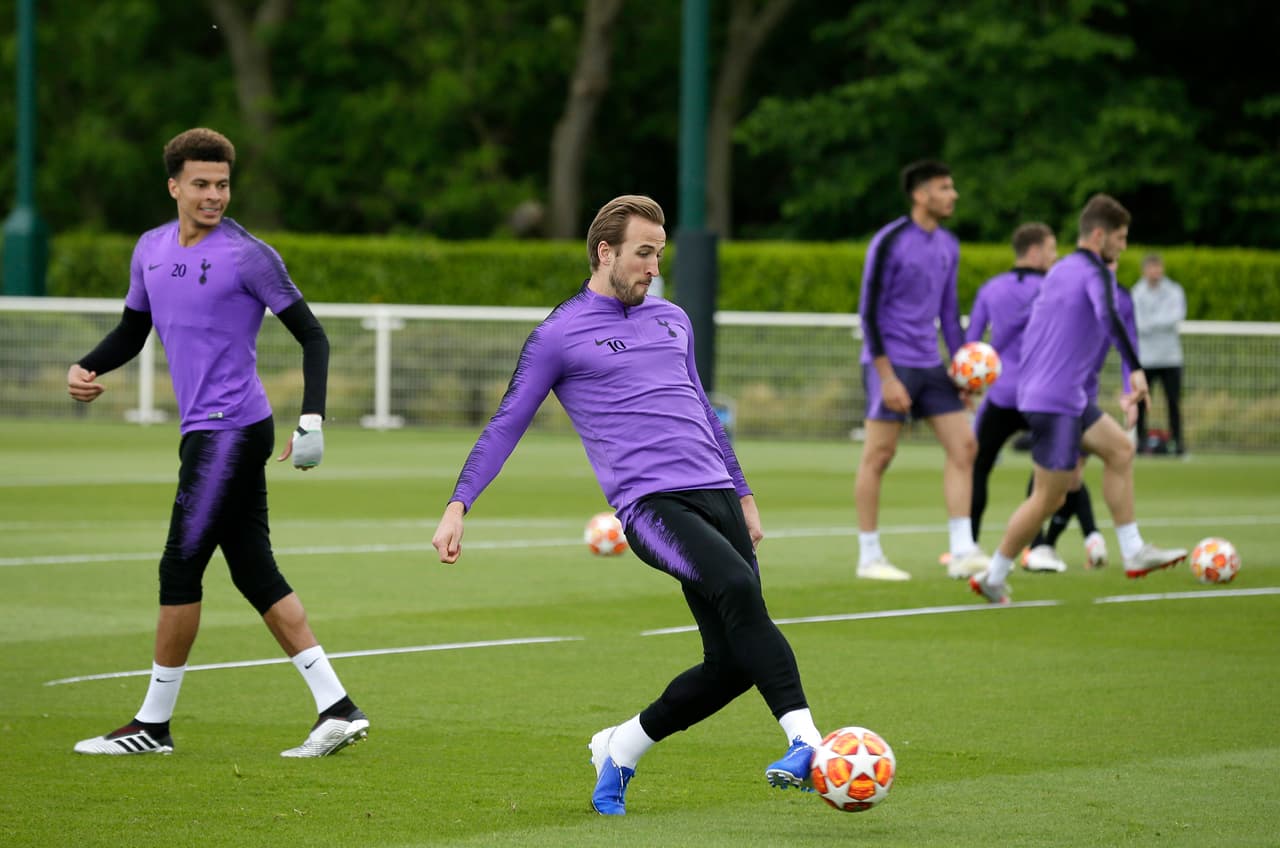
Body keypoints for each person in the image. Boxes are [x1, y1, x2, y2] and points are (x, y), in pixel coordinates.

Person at [431, 195, 825, 815]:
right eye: (643, 254)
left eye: (659, 255)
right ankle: (808, 743)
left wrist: (744, 493)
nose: (653, 268)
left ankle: (621, 746)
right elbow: (506, 423)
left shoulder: (674, 318)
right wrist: (459, 504)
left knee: (733, 663)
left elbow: (703, 410)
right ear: (605, 252)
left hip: (718, 495)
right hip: (651, 508)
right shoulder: (558, 334)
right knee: (736, 590)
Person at [66, 128, 368, 757]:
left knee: (180, 566)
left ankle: (152, 726)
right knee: (254, 571)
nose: (214, 195)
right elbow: (133, 330)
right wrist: (87, 366)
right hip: (204, 432)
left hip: (232, 429)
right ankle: (337, 708)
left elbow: (313, 336)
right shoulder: (150, 249)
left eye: (223, 184)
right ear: (173, 186)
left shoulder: (249, 256)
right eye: (201, 184)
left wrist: (312, 419)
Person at [969, 194, 1186, 604]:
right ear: (1099, 235)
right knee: (1048, 497)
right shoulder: (1093, 272)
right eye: (1120, 238)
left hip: (1059, 396)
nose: (1124, 246)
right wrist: (1135, 370)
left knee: (1120, 449)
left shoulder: (1061, 269)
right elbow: (1108, 315)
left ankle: (1133, 549)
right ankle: (993, 575)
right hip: (1054, 402)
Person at [854, 160, 988, 581]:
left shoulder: (949, 244)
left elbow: (949, 315)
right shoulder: (890, 240)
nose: (953, 195)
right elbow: (868, 311)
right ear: (920, 194)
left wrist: (961, 373)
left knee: (964, 447)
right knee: (879, 455)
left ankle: (962, 550)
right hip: (891, 363)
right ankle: (869, 557)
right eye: (945, 188)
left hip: (931, 365)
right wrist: (886, 376)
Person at [964, 222, 1086, 573]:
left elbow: (973, 343)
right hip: (1040, 394)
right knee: (1054, 471)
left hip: (1001, 395)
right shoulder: (1053, 287)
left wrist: (969, 385)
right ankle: (1039, 546)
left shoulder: (991, 288)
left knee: (978, 467)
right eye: (1051, 249)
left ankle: (968, 545)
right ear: (1034, 251)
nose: (1056, 256)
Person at [1021, 259, 1137, 573]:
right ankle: (1033, 549)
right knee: (1052, 480)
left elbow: (1129, 345)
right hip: (1056, 391)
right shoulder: (1068, 287)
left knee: (1073, 476)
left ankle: (1060, 544)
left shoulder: (1122, 299)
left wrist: (1130, 391)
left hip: (1085, 395)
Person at [1131, 252, 1187, 456]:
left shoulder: (1174, 290)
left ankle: (1177, 443)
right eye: (1151, 268)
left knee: (1173, 402)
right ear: (1144, 270)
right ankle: (1140, 442)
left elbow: (1176, 317)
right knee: (1142, 402)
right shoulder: (1136, 293)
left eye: (1158, 267)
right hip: (1146, 359)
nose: (1155, 272)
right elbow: (1137, 323)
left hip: (1170, 357)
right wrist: (1159, 322)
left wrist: (1151, 323)